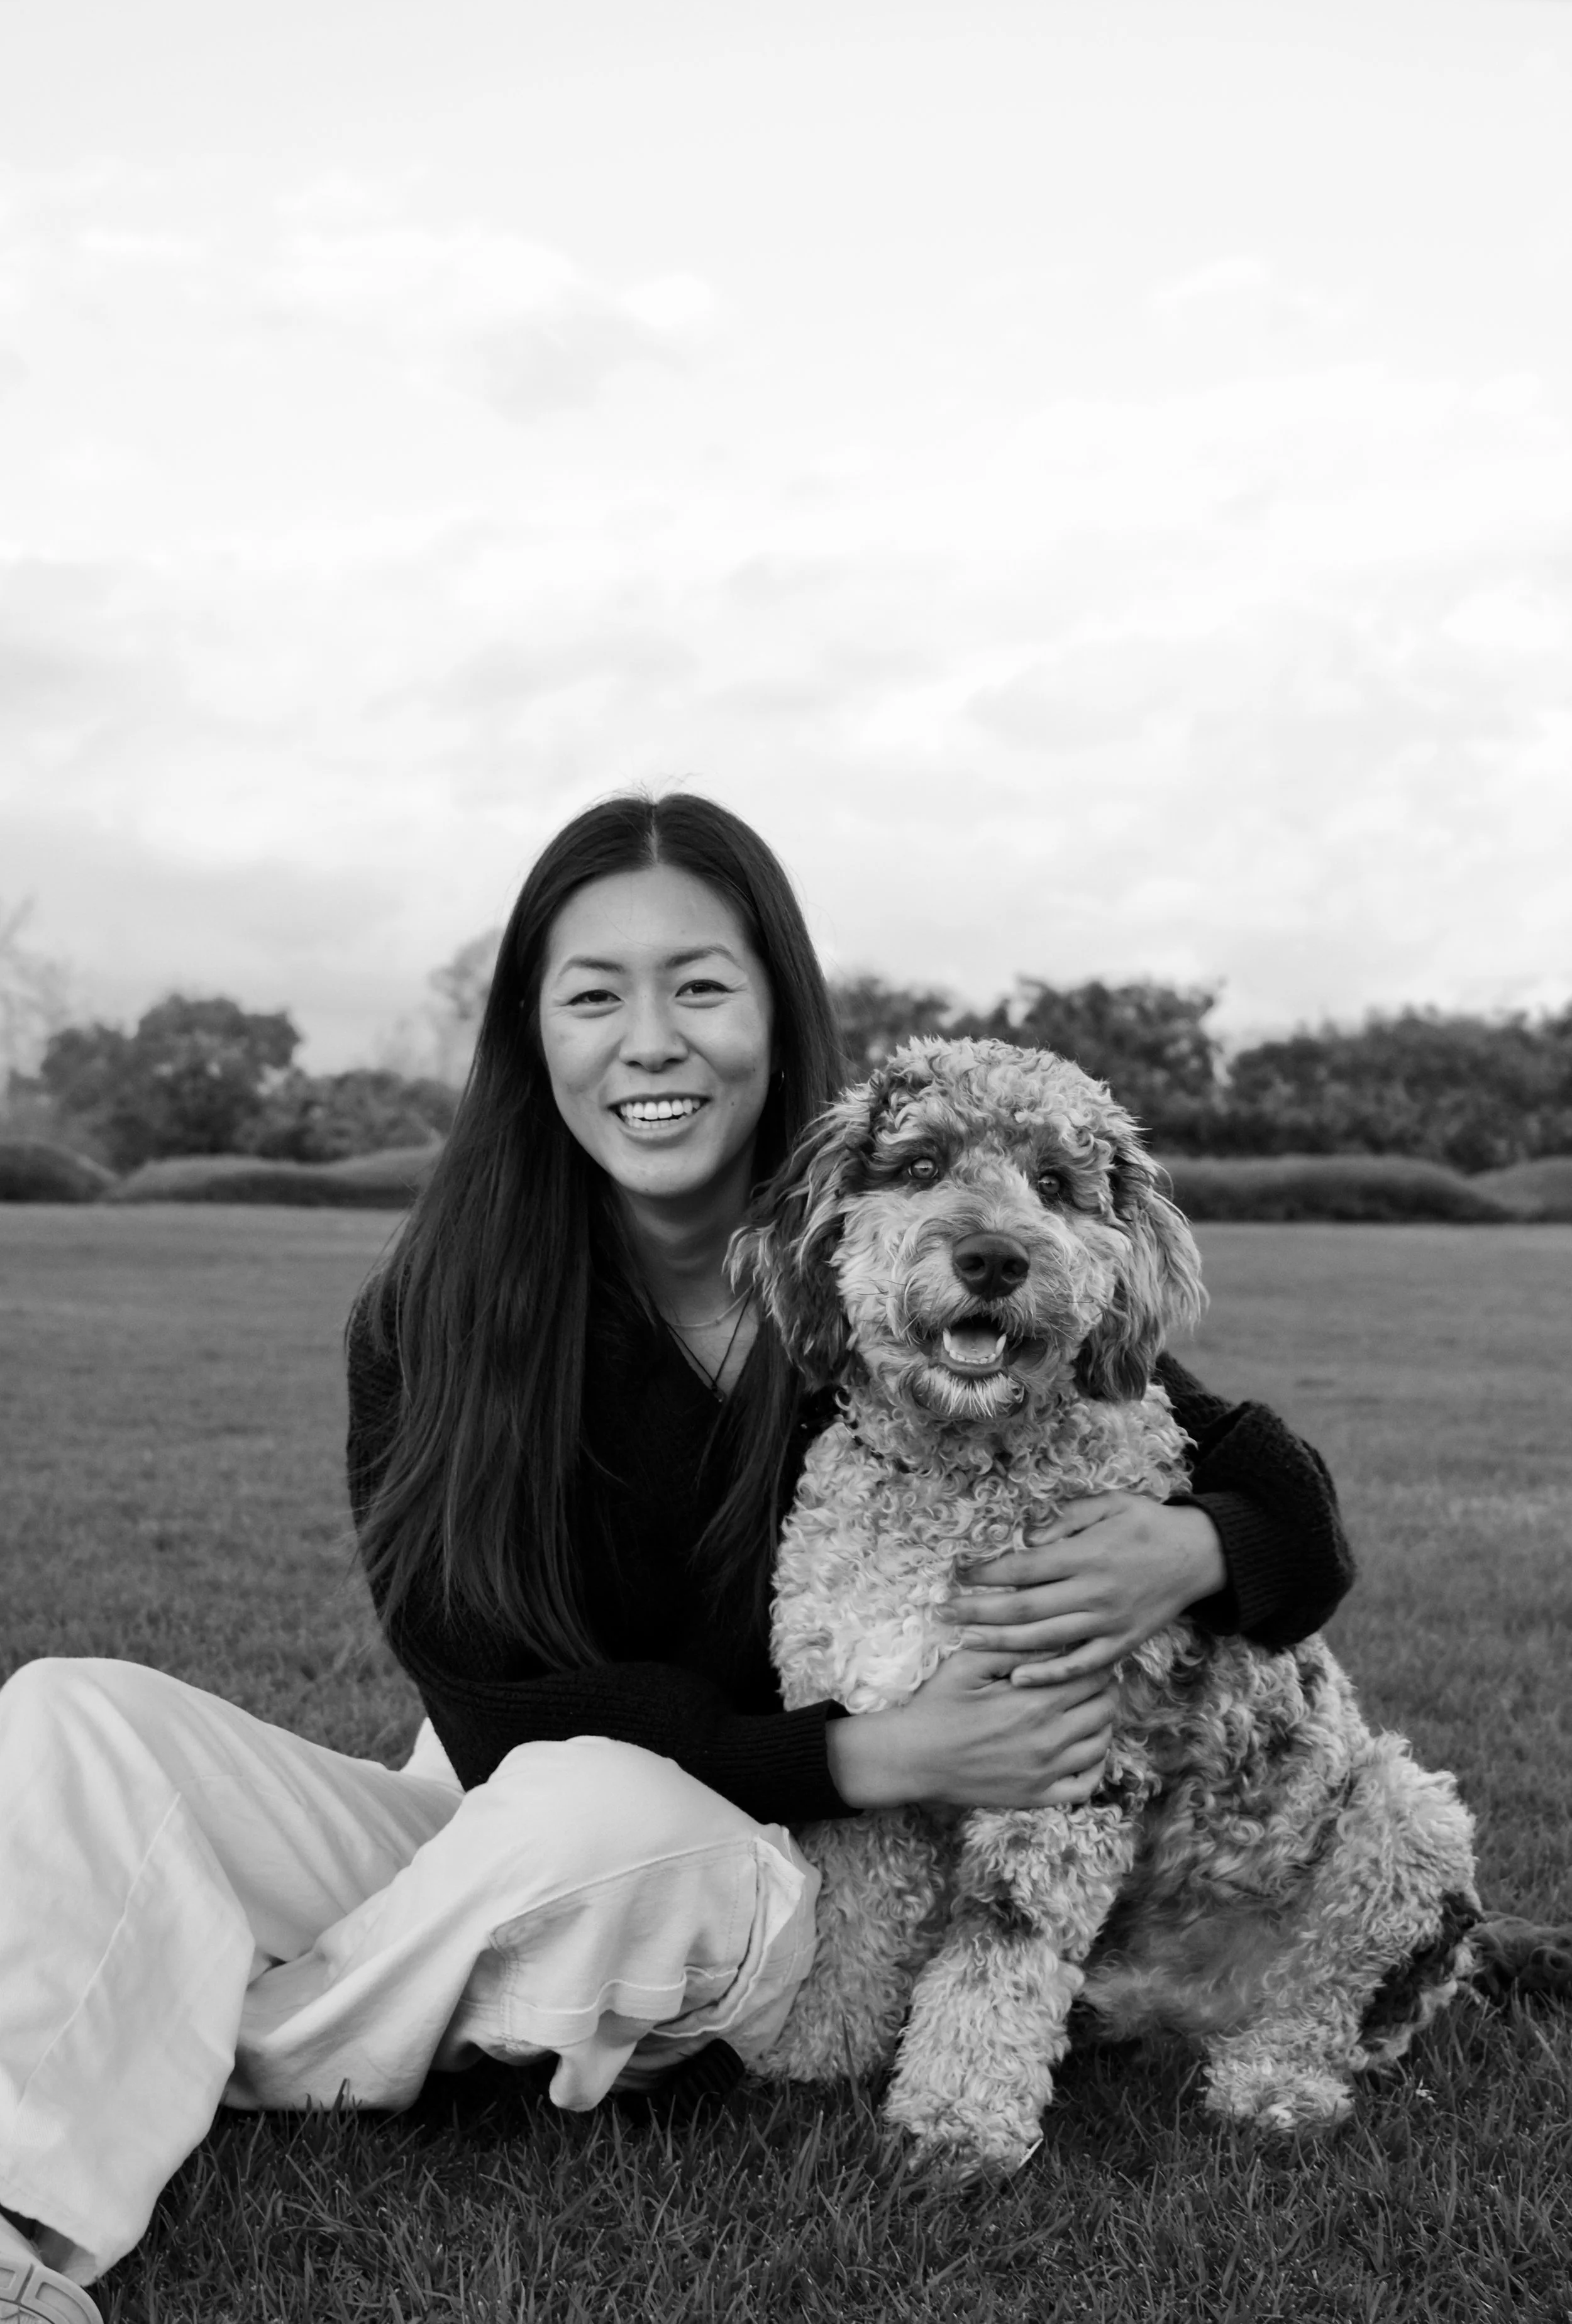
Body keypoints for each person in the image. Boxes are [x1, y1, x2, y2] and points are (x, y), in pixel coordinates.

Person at [1, 793, 1358, 2324]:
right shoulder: (431, 1316)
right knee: (70, 1711)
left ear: (779, 1014)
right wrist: (879, 1754)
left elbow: (1279, 1498)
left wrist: (1184, 1547)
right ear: (535, 1039)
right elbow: (484, 1708)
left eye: (699, 986)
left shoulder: (883, 1266)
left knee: (595, 1810)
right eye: (594, 996)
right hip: (553, 1805)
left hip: (747, 1880)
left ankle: (196, 2026)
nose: (648, 1040)